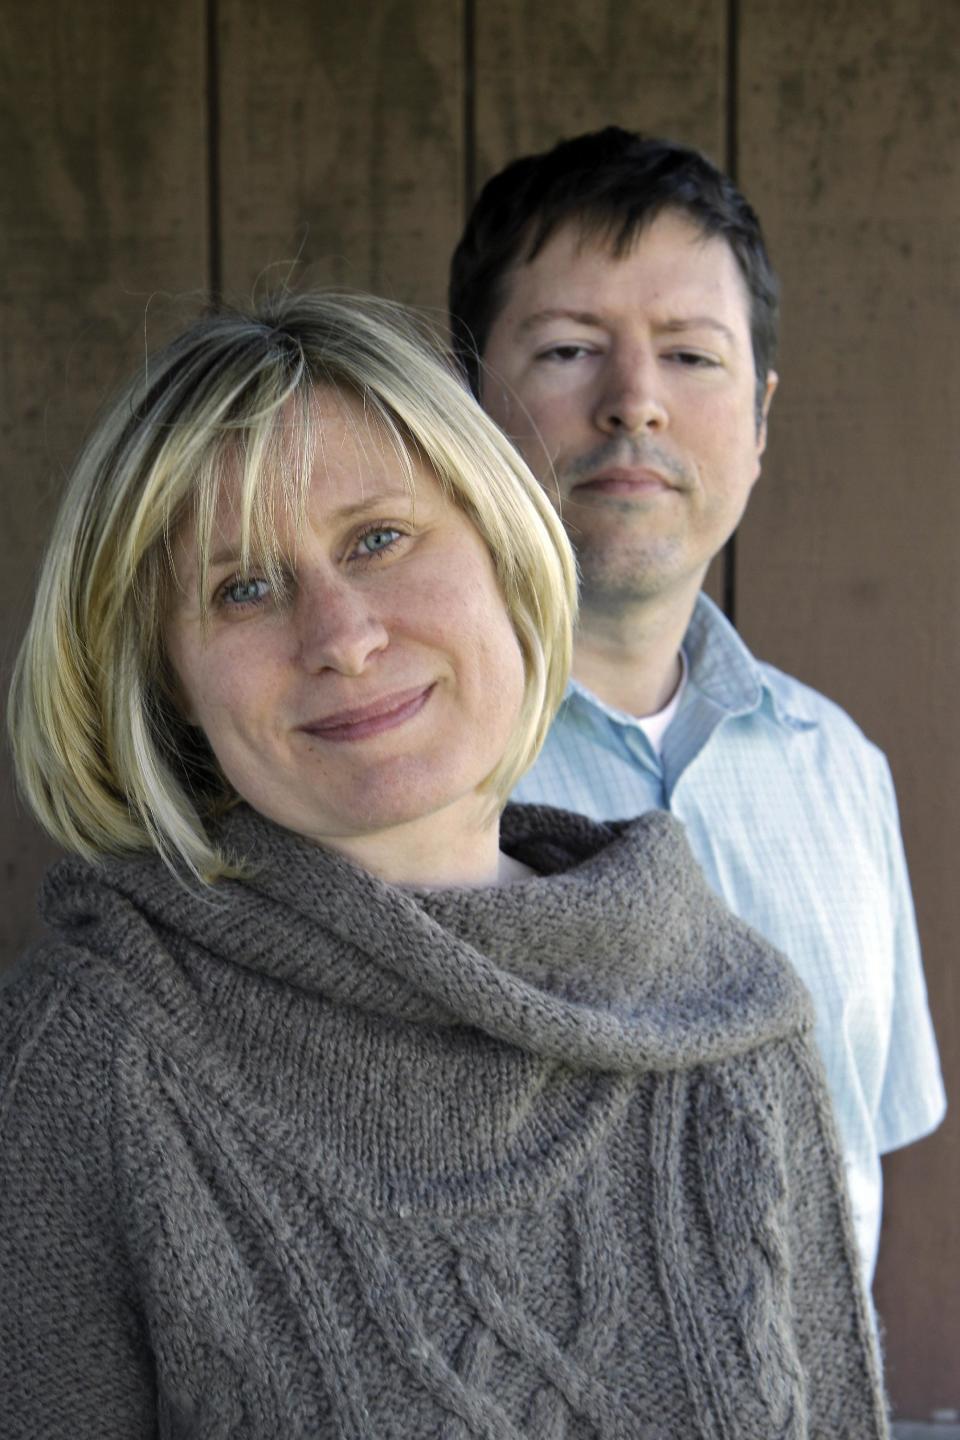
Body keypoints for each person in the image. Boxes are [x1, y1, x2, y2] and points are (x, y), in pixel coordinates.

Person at [1, 291, 888, 1437]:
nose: (342, 635)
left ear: (505, 552)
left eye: (379, 538)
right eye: (243, 588)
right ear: (167, 683)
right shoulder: (86, 1062)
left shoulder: (733, 1019)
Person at [448, 126, 945, 1287]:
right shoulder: (392, 776)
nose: (635, 404)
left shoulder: (840, 768)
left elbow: (862, 1156)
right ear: (464, 401)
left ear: (762, 419)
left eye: (692, 356)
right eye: (570, 350)